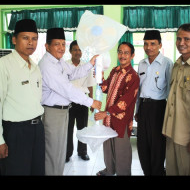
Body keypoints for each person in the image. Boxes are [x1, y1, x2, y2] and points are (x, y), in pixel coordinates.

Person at [38, 28, 101, 175]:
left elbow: (73, 73)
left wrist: (91, 63)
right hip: (52, 112)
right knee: (53, 152)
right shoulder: (47, 65)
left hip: (63, 110)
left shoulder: (59, 62)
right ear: (47, 46)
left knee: (59, 151)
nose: (61, 48)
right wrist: (90, 102)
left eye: (63, 44)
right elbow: (66, 89)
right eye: (57, 44)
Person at [0, 19, 45, 175]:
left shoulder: (35, 66)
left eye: (34, 39)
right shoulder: (4, 65)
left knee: (37, 170)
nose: (30, 43)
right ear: (14, 39)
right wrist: (0, 141)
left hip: (37, 129)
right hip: (16, 132)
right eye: (25, 38)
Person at [94, 42, 139, 176]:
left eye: (126, 53)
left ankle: (123, 173)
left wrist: (106, 112)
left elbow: (125, 101)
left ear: (132, 56)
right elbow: (105, 88)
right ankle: (109, 170)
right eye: (120, 52)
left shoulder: (134, 76)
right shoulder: (114, 71)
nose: (122, 55)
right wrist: (99, 74)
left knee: (121, 149)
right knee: (108, 146)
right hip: (108, 117)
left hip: (121, 119)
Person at [162, 23, 190, 175]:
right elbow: (173, 100)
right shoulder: (177, 65)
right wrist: (167, 126)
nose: (181, 43)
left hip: (188, 138)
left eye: (187, 39)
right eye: (178, 39)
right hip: (172, 134)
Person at [135, 30, 173, 176]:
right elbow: (139, 90)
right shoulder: (142, 64)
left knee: (157, 146)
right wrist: (138, 110)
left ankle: (157, 172)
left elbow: (170, 91)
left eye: (152, 44)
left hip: (159, 108)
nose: (148, 47)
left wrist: (169, 116)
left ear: (160, 45)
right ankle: (147, 172)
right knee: (142, 144)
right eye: (145, 44)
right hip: (143, 108)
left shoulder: (167, 63)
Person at [65, 40, 96, 162]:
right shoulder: (65, 65)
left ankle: (82, 152)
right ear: (70, 51)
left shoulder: (86, 66)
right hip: (68, 101)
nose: (77, 52)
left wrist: (91, 101)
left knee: (83, 128)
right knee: (68, 128)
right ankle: (67, 153)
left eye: (79, 50)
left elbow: (90, 85)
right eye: (75, 50)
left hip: (83, 101)